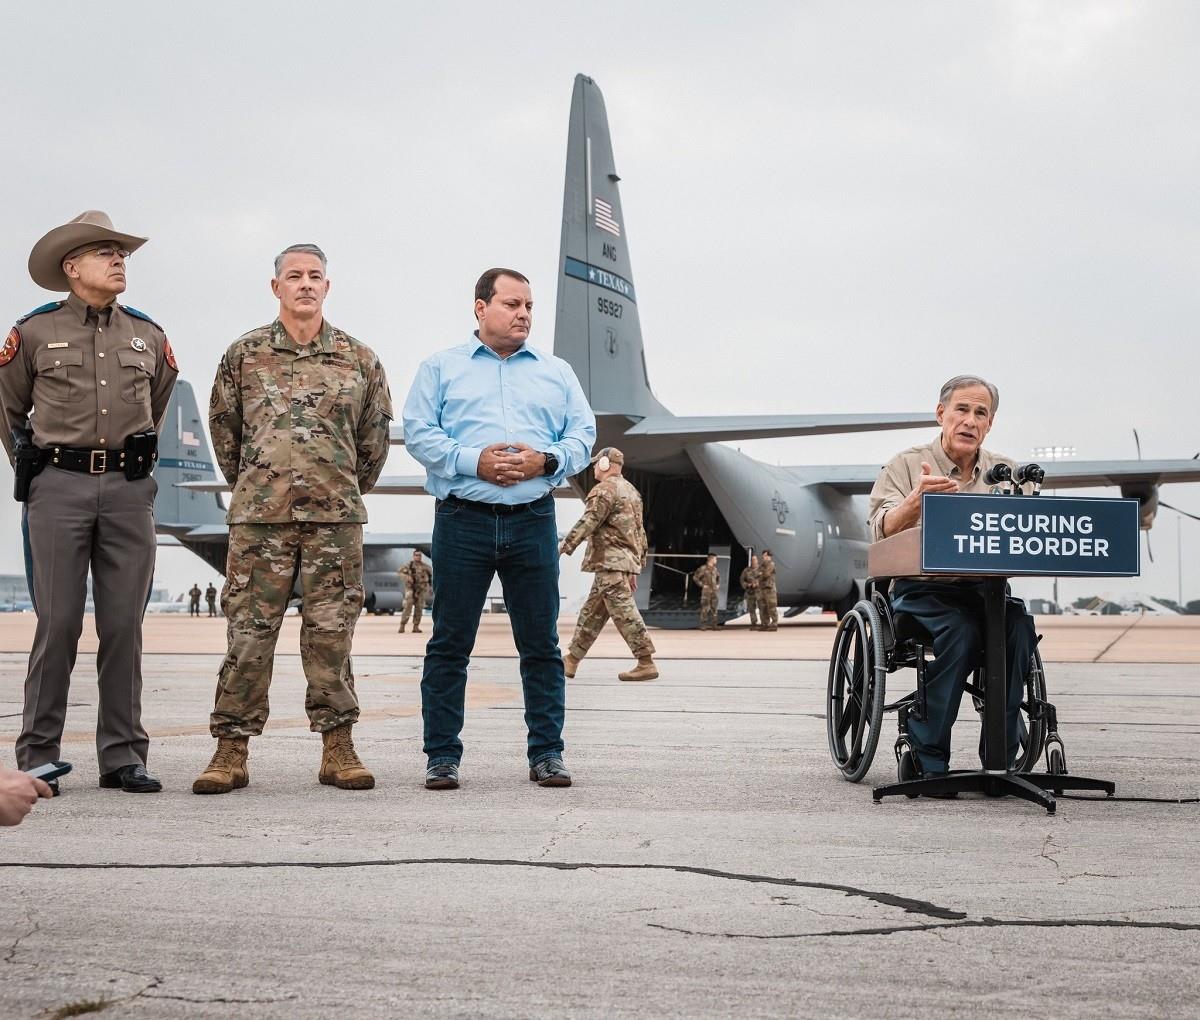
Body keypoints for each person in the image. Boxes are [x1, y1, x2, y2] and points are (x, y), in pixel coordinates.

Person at [192, 243, 392, 795]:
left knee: (332, 636)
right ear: (275, 286)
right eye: (294, 275)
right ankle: (230, 751)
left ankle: (338, 748)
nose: (305, 284)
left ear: (328, 287)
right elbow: (225, 434)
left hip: (335, 522)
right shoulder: (244, 355)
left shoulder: (360, 358)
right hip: (261, 520)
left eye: (315, 276)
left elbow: (372, 446)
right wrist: (260, 486)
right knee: (249, 637)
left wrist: (338, 489)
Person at [0, 210, 178, 794]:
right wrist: (36, 468)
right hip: (58, 488)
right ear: (72, 267)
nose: (119, 260)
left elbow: (158, 399)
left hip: (129, 491)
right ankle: (37, 754)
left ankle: (123, 756)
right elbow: (9, 408)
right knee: (59, 622)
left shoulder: (148, 335)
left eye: (121, 252)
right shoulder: (34, 333)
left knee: (125, 624)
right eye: (105, 252)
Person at [403, 267, 595, 791]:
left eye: (529, 306)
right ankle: (441, 757)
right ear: (480, 307)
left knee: (540, 646)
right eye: (512, 304)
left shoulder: (557, 373)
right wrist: (472, 462)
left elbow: (583, 434)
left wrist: (547, 461)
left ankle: (547, 754)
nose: (524, 315)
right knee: (449, 644)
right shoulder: (441, 368)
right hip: (463, 519)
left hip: (532, 521)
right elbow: (418, 433)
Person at [868, 374, 1033, 780]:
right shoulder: (906, 464)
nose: (970, 421)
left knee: (1016, 629)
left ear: (990, 424)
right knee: (960, 633)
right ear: (941, 414)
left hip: (986, 591)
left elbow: (1030, 532)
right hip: (922, 592)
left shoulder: (1007, 472)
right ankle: (927, 755)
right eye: (962, 409)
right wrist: (915, 503)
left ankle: (1001, 756)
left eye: (981, 413)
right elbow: (880, 528)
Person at [560, 447, 658, 682]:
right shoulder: (632, 492)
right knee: (592, 612)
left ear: (605, 464)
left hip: (609, 562)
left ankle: (645, 661)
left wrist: (564, 546)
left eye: (596, 463)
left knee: (624, 612)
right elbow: (639, 532)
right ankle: (571, 659)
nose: (594, 467)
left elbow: (590, 520)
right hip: (619, 564)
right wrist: (635, 566)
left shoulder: (604, 489)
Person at [397, 550, 432, 633]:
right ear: (413, 556)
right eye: (416, 555)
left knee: (419, 608)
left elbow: (430, 578)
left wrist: (430, 588)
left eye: (419, 555)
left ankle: (416, 626)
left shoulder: (425, 567)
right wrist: (408, 578)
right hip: (411, 589)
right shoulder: (409, 565)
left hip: (421, 590)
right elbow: (400, 572)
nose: (418, 557)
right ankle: (402, 625)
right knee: (407, 607)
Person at [692, 554, 721, 630]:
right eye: (715, 559)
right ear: (711, 560)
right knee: (705, 608)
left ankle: (714, 625)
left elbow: (718, 577)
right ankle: (703, 625)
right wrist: (702, 585)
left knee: (714, 608)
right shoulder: (703, 568)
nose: (716, 561)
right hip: (706, 592)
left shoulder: (715, 569)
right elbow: (695, 577)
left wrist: (718, 585)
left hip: (714, 591)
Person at [758, 549, 779, 631]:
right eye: (763, 556)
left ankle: (774, 624)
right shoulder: (762, 565)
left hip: (770, 589)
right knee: (763, 607)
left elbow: (766, 574)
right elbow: (757, 573)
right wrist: (760, 574)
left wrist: (760, 574)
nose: (764, 557)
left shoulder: (771, 564)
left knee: (772, 606)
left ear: (770, 556)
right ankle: (765, 624)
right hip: (763, 588)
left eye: (766, 556)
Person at [740, 555, 762, 630]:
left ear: (757, 560)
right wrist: (747, 585)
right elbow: (742, 580)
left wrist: (758, 583)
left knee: (762, 607)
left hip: (759, 592)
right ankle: (754, 623)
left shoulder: (761, 569)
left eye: (755, 559)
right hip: (750, 592)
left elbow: (766, 579)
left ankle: (764, 623)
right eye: (752, 560)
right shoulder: (746, 571)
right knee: (751, 608)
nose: (754, 561)